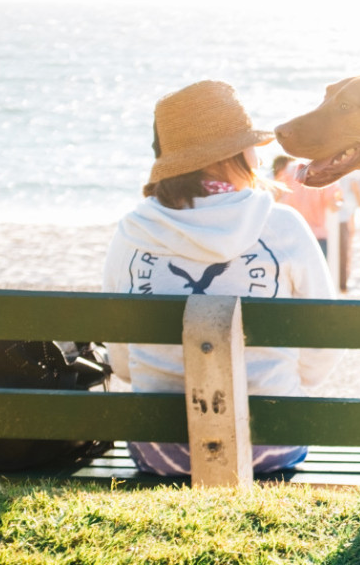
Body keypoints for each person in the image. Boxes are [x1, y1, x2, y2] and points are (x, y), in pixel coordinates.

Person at [102, 80, 342, 476]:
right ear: (236, 154)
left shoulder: (133, 231)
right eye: (249, 144)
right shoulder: (281, 224)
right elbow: (324, 345)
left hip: (160, 449)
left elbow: (123, 365)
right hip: (271, 442)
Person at [336, 170, 360, 292]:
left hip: (358, 194)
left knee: (359, 235)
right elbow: (354, 186)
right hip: (354, 195)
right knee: (356, 235)